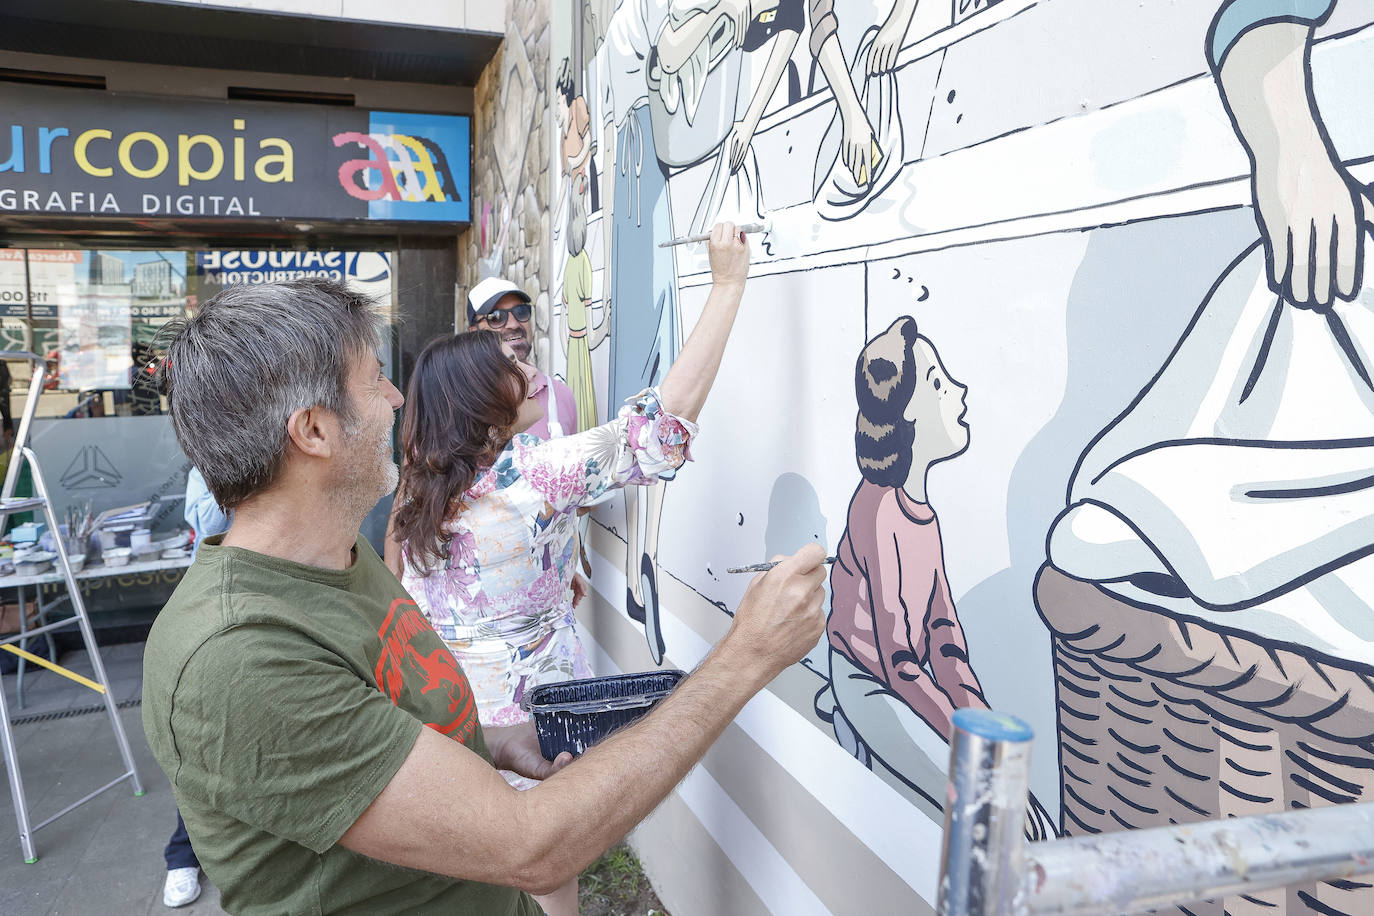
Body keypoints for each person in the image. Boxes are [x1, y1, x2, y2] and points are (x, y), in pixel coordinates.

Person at [141, 275, 826, 915]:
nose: (396, 399)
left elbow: (382, 719)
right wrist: (745, 656)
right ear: (314, 431)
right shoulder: (240, 657)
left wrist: (491, 741)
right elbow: (531, 846)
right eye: (375, 377)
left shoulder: (339, 554)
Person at [388, 222, 749, 916]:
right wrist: (727, 285)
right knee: (549, 873)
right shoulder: (536, 475)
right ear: (478, 401)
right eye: (510, 369)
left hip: (446, 717)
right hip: (530, 722)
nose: (531, 372)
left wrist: (544, 581)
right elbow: (663, 427)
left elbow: (414, 586)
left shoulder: (424, 483)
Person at [815, 316, 1054, 839]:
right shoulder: (876, 509)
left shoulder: (925, 515)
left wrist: (984, 731)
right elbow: (897, 658)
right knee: (991, 817)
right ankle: (845, 714)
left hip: (906, 679)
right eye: (940, 384)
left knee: (1018, 807)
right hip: (868, 679)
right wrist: (970, 745)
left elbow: (946, 640)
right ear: (907, 418)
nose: (960, 391)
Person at [158, 465, 230, 908]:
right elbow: (207, 523)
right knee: (203, 740)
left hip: (276, 594)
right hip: (215, 604)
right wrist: (246, 471)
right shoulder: (209, 466)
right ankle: (182, 854)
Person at [466, 277, 577, 441]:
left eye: (521, 312)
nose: (513, 324)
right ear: (474, 332)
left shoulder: (561, 395)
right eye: (496, 317)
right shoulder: (460, 399)